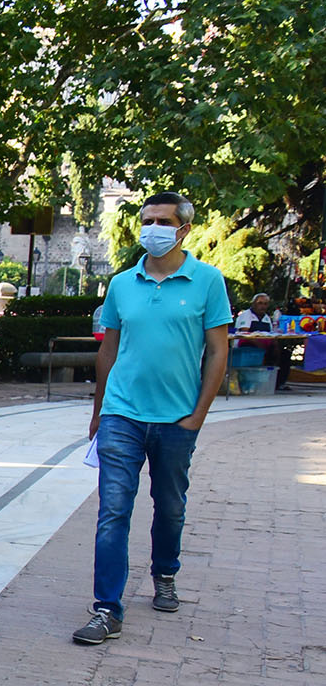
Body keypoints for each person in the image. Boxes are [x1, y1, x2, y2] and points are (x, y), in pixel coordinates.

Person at [74, 191, 231, 645]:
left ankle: (165, 572)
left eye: (163, 221)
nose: (153, 229)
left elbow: (218, 350)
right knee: (113, 512)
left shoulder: (207, 281)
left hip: (177, 418)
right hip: (122, 414)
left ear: (183, 229)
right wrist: (99, 409)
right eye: (147, 220)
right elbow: (109, 349)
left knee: (171, 506)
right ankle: (107, 609)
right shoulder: (122, 283)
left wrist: (198, 415)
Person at [233, 292, 291, 389]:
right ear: (254, 304)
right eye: (260, 303)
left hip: (264, 345)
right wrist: (260, 345)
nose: (262, 306)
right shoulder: (246, 315)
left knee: (284, 354)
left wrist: (274, 345)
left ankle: (278, 383)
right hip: (247, 345)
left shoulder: (266, 318)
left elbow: (271, 334)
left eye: (265, 304)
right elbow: (244, 334)